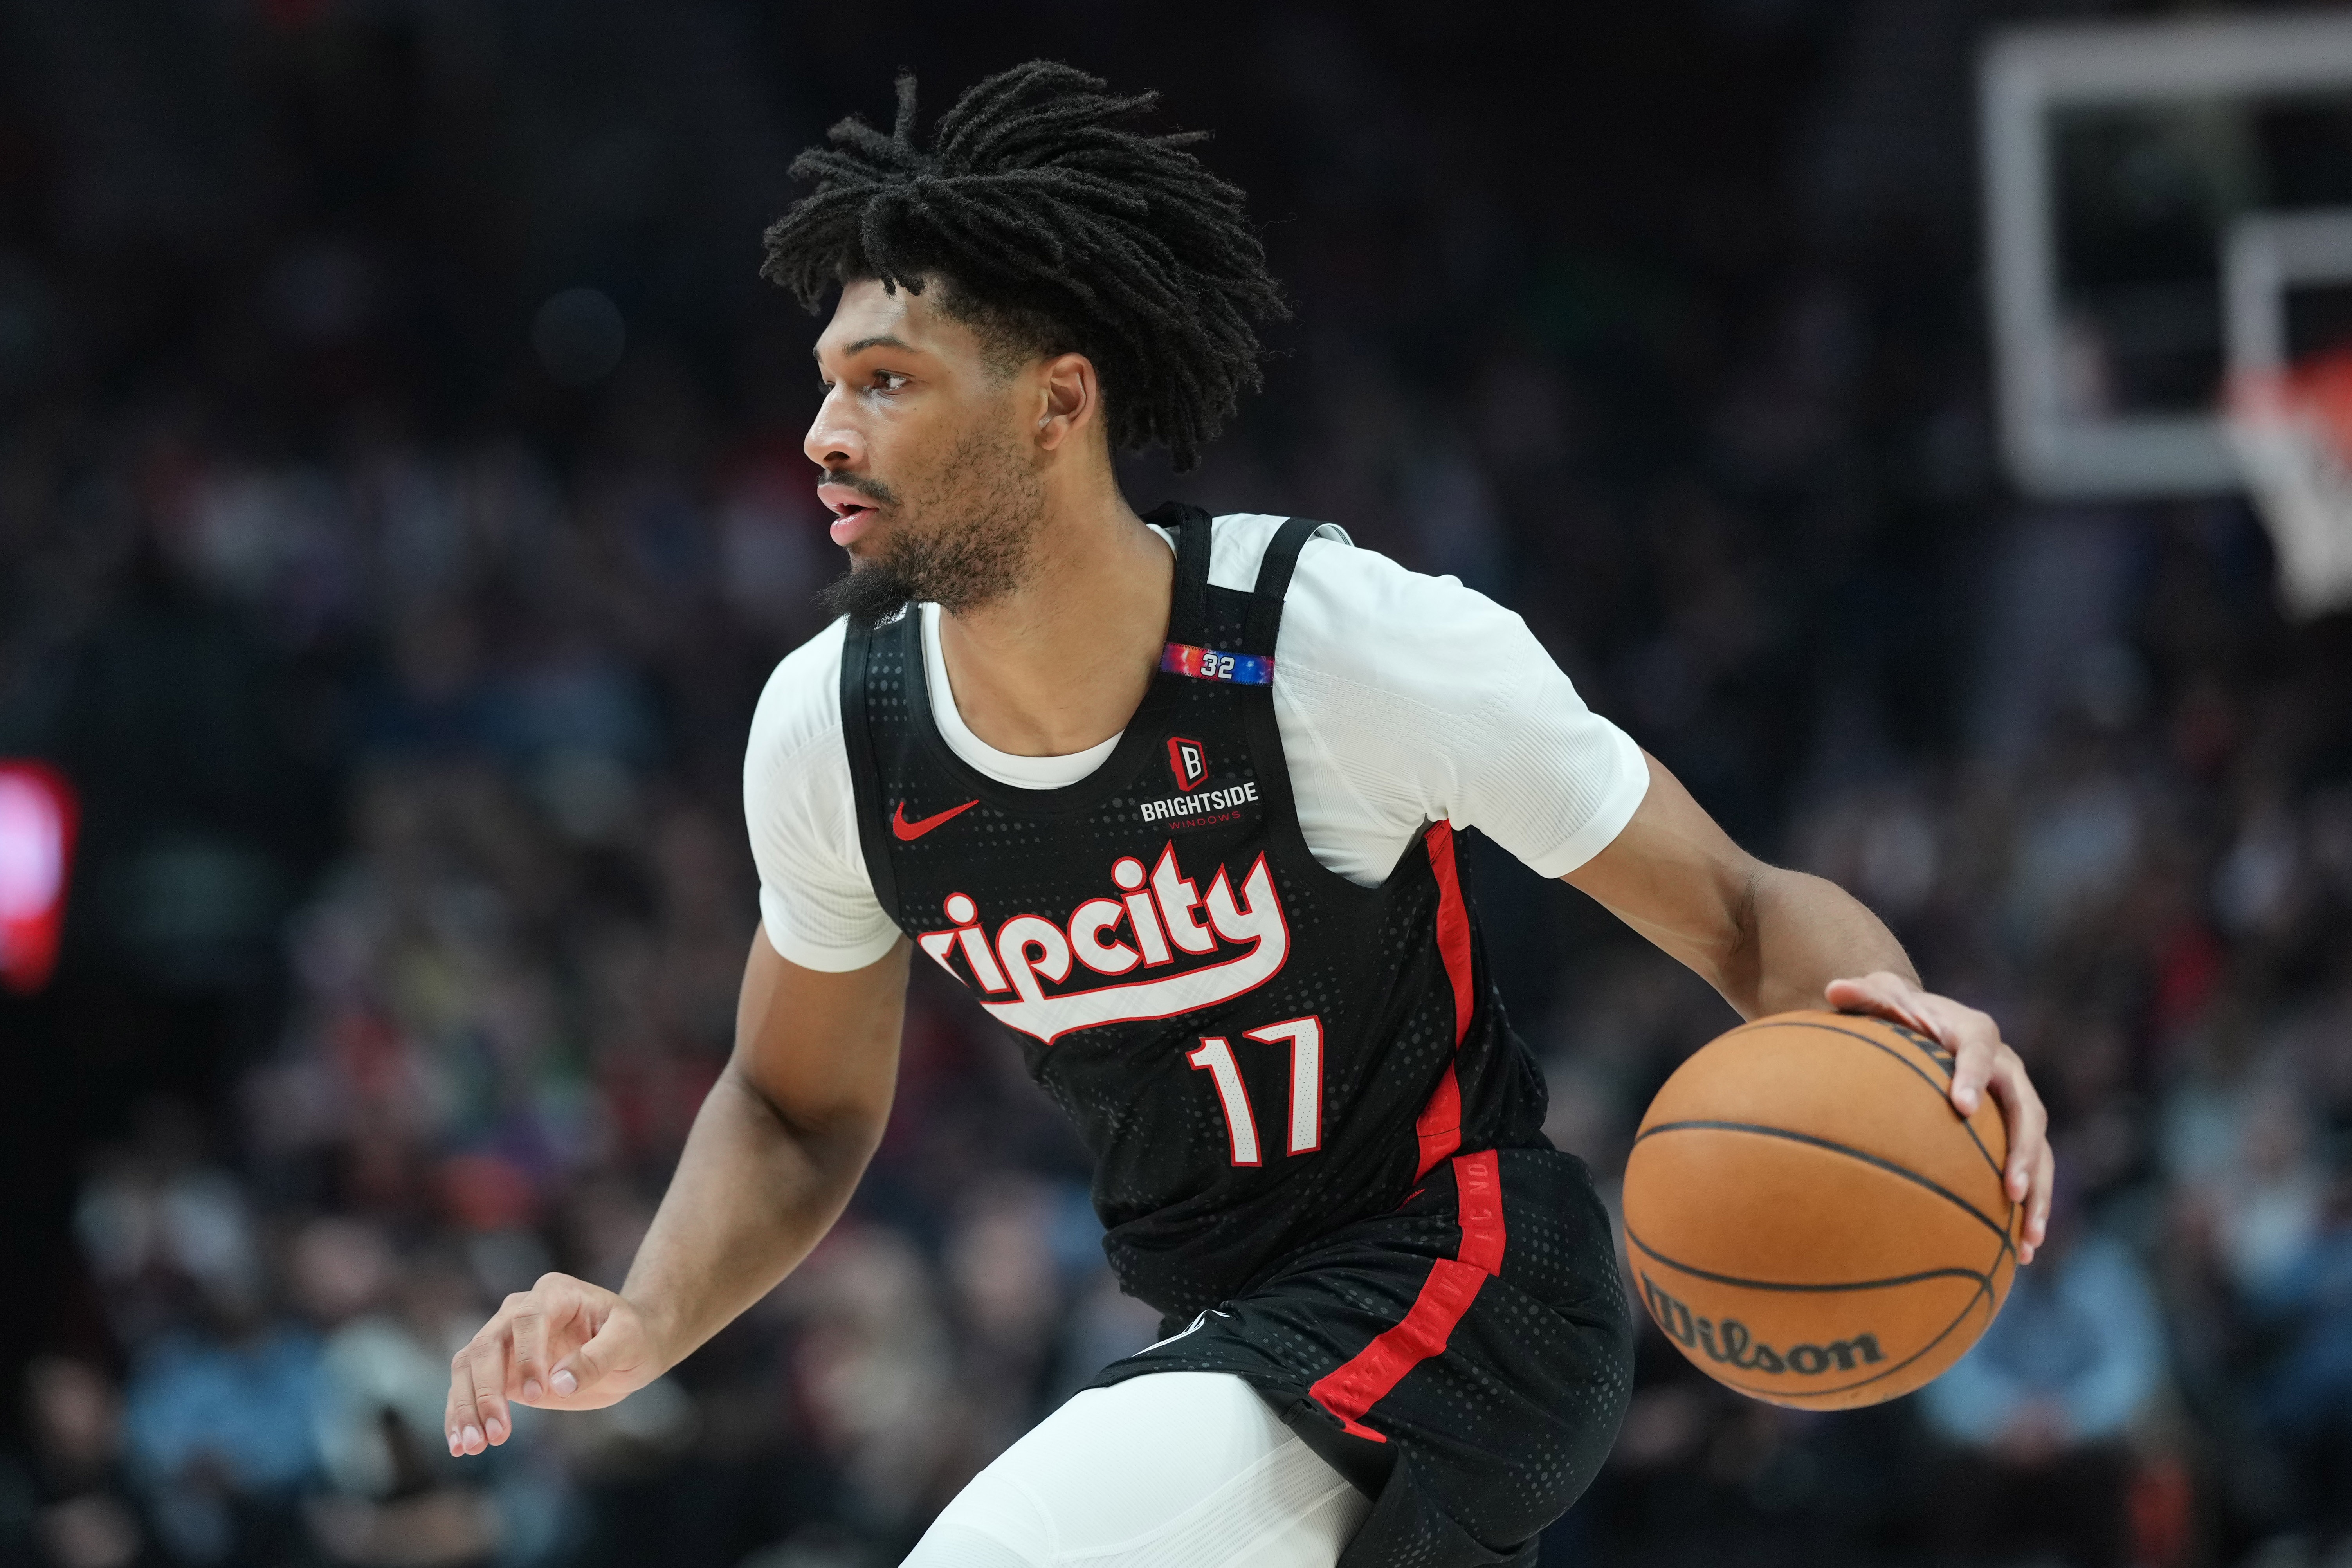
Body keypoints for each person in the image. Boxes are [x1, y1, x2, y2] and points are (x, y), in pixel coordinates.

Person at [440, 62, 2055, 1568]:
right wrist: (647, 1318)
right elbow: (795, 1109)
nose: (823, 434)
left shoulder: (1340, 649)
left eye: (886, 383)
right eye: (826, 385)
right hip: (1229, 1334)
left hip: (1468, 1292)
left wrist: (1905, 1037)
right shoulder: (835, 731)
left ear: (1055, 406)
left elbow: (1741, 911)